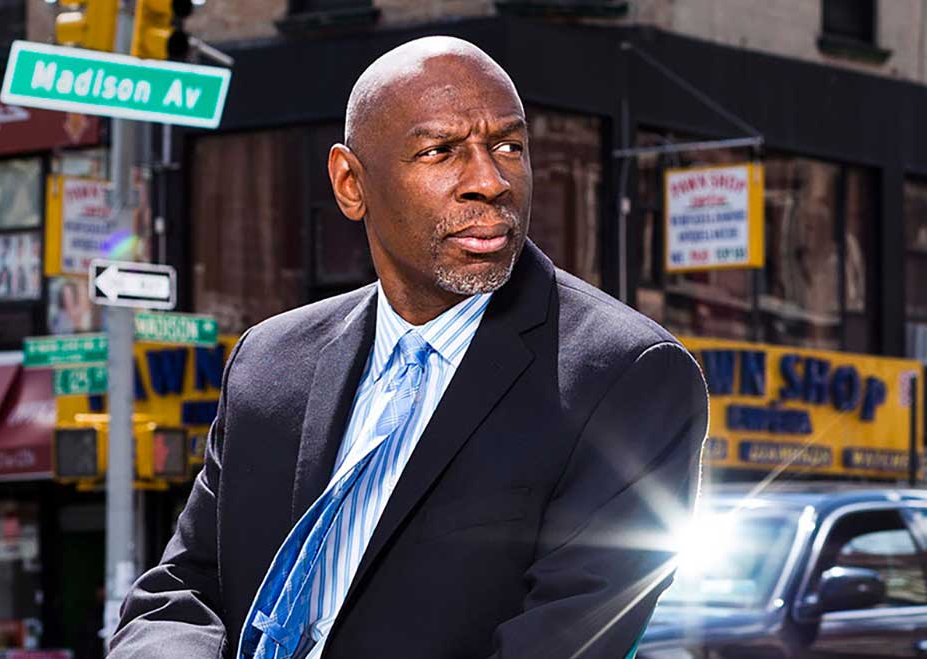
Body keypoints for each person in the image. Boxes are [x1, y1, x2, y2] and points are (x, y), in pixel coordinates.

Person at [109, 37, 709, 659]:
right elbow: (184, 591)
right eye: (440, 151)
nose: (490, 181)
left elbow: (565, 640)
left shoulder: (628, 377)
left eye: (509, 146)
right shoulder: (269, 362)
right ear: (350, 183)